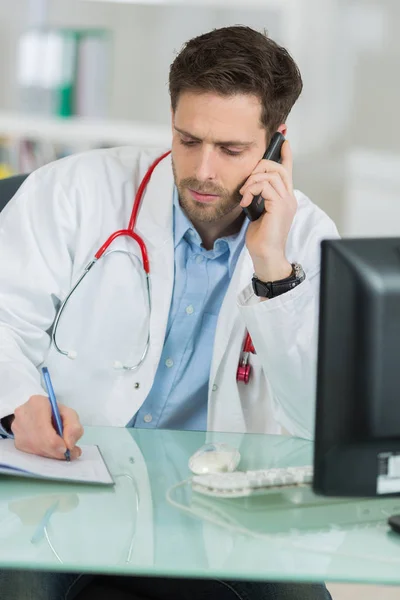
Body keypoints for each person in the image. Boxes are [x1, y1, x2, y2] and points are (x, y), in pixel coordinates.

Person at [0, 25, 337, 600]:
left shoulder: (306, 239)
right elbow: (6, 316)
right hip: (65, 492)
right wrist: (16, 406)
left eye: (231, 150)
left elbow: (317, 420)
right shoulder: (74, 191)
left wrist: (272, 272)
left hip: (215, 512)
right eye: (187, 140)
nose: (203, 170)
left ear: (277, 144)